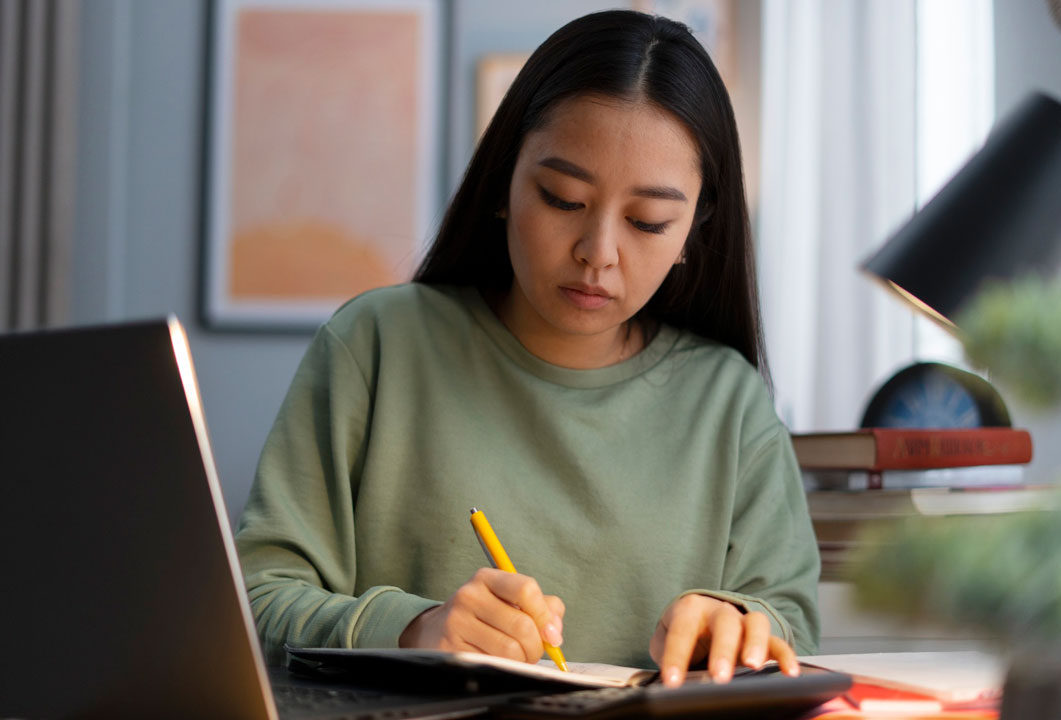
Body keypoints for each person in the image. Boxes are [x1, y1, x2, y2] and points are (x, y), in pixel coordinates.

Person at [234, 9, 820, 688]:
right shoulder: (378, 346)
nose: (597, 254)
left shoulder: (729, 402)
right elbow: (253, 601)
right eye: (562, 197)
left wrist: (739, 622)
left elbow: (790, 625)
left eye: (647, 222)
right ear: (506, 182)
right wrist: (414, 628)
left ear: (695, 228)